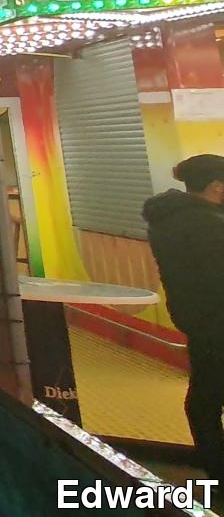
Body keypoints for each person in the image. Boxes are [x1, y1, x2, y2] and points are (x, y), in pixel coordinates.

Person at [145, 153, 224, 479]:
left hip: (199, 323)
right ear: (217, 187)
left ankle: (217, 471)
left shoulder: (167, 220)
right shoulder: (209, 227)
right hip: (218, 322)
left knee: (204, 401)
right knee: (206, 400)